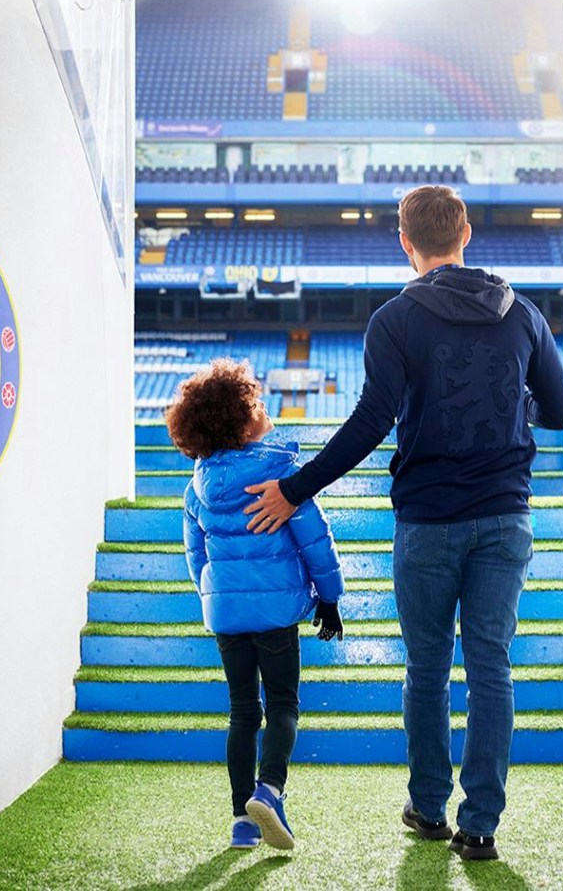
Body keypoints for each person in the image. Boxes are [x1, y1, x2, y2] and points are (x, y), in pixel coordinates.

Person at [242, 185, 563, 861]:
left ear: (405, 242)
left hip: (427, 523)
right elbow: (559, 410)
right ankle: (480, 825)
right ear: (467, 234)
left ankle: (428, 810)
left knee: (427, 668)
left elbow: (370, 424)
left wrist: (294, 489)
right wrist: (508, 403)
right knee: (491, 668)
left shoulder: (394, 319)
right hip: (506, 518)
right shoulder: (525, 315)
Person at [166, 360, 346, 852]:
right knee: (284, 703)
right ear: (244, 422)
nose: (267, 411)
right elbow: (315, 540)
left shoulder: (197, 488)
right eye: (259, 405)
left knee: (242, 711)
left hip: (226, 614)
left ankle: (241, 822)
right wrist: (328, 599)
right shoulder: (280, 475)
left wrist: (214, 596)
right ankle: (269, 789)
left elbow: (195, 554)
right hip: (275, 614)